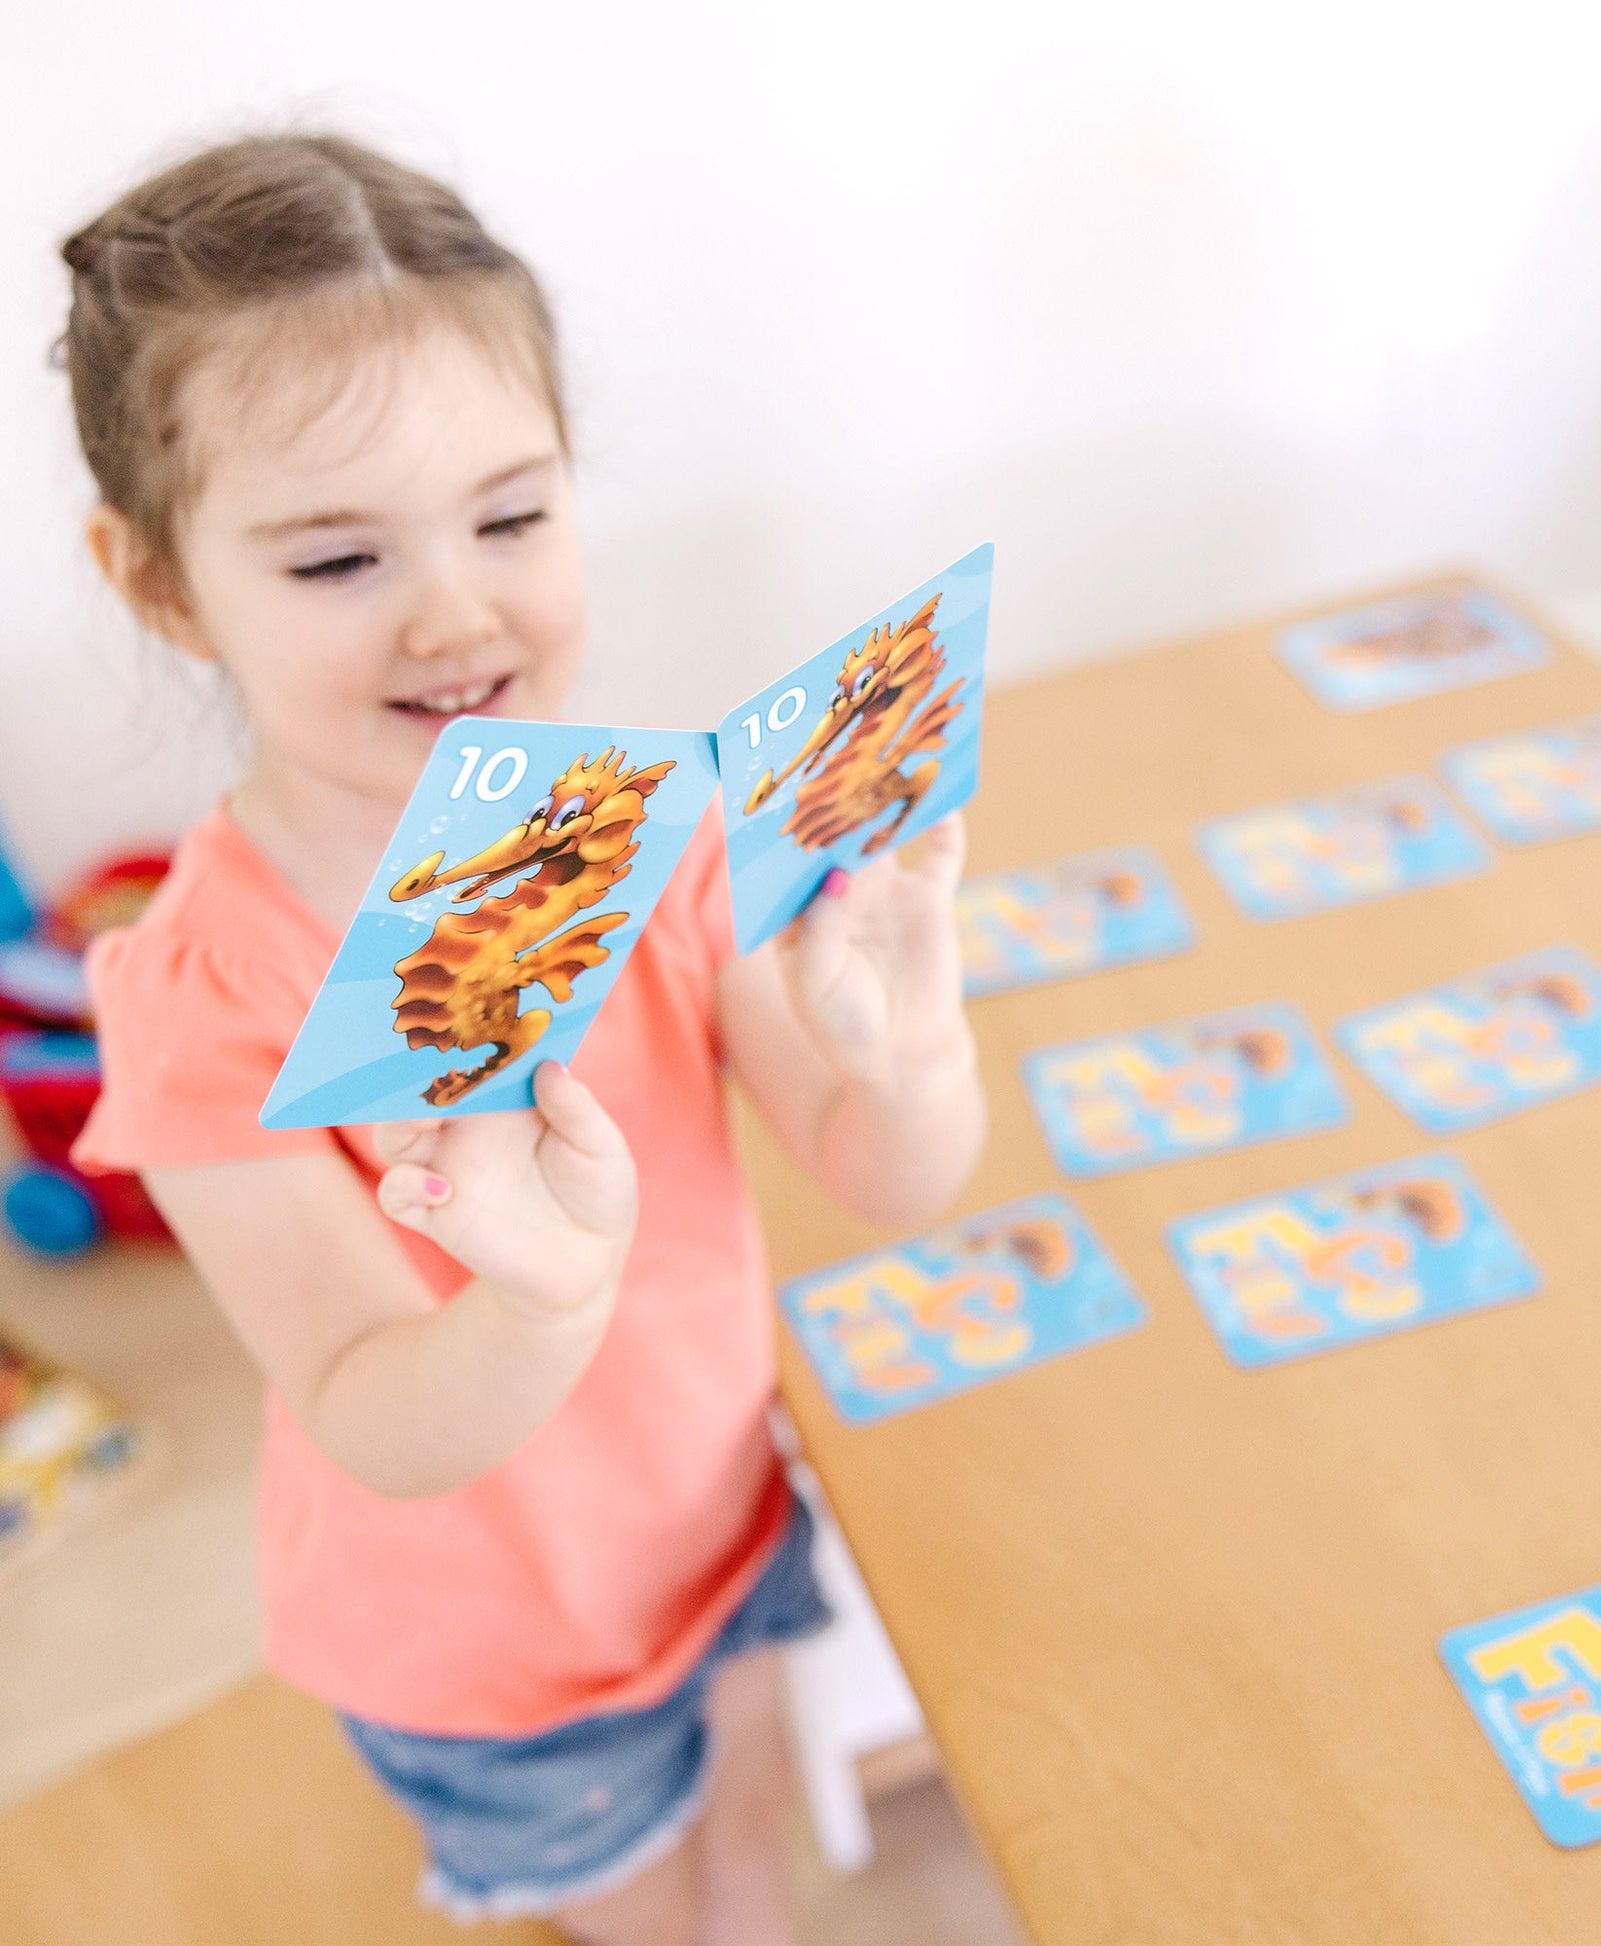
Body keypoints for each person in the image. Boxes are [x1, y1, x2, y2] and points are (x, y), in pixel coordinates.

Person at [61, 132, 985, 1946]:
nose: (456, 611)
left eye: (511, 515)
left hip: (721, 1518)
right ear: (163, 585)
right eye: (337, 557)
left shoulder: (652, 836)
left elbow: (886, 1179)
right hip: (488, 1639)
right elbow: (373, 1418)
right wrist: (542, 1297)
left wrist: (909, 1051)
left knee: (750, 1865)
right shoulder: (201, 989)